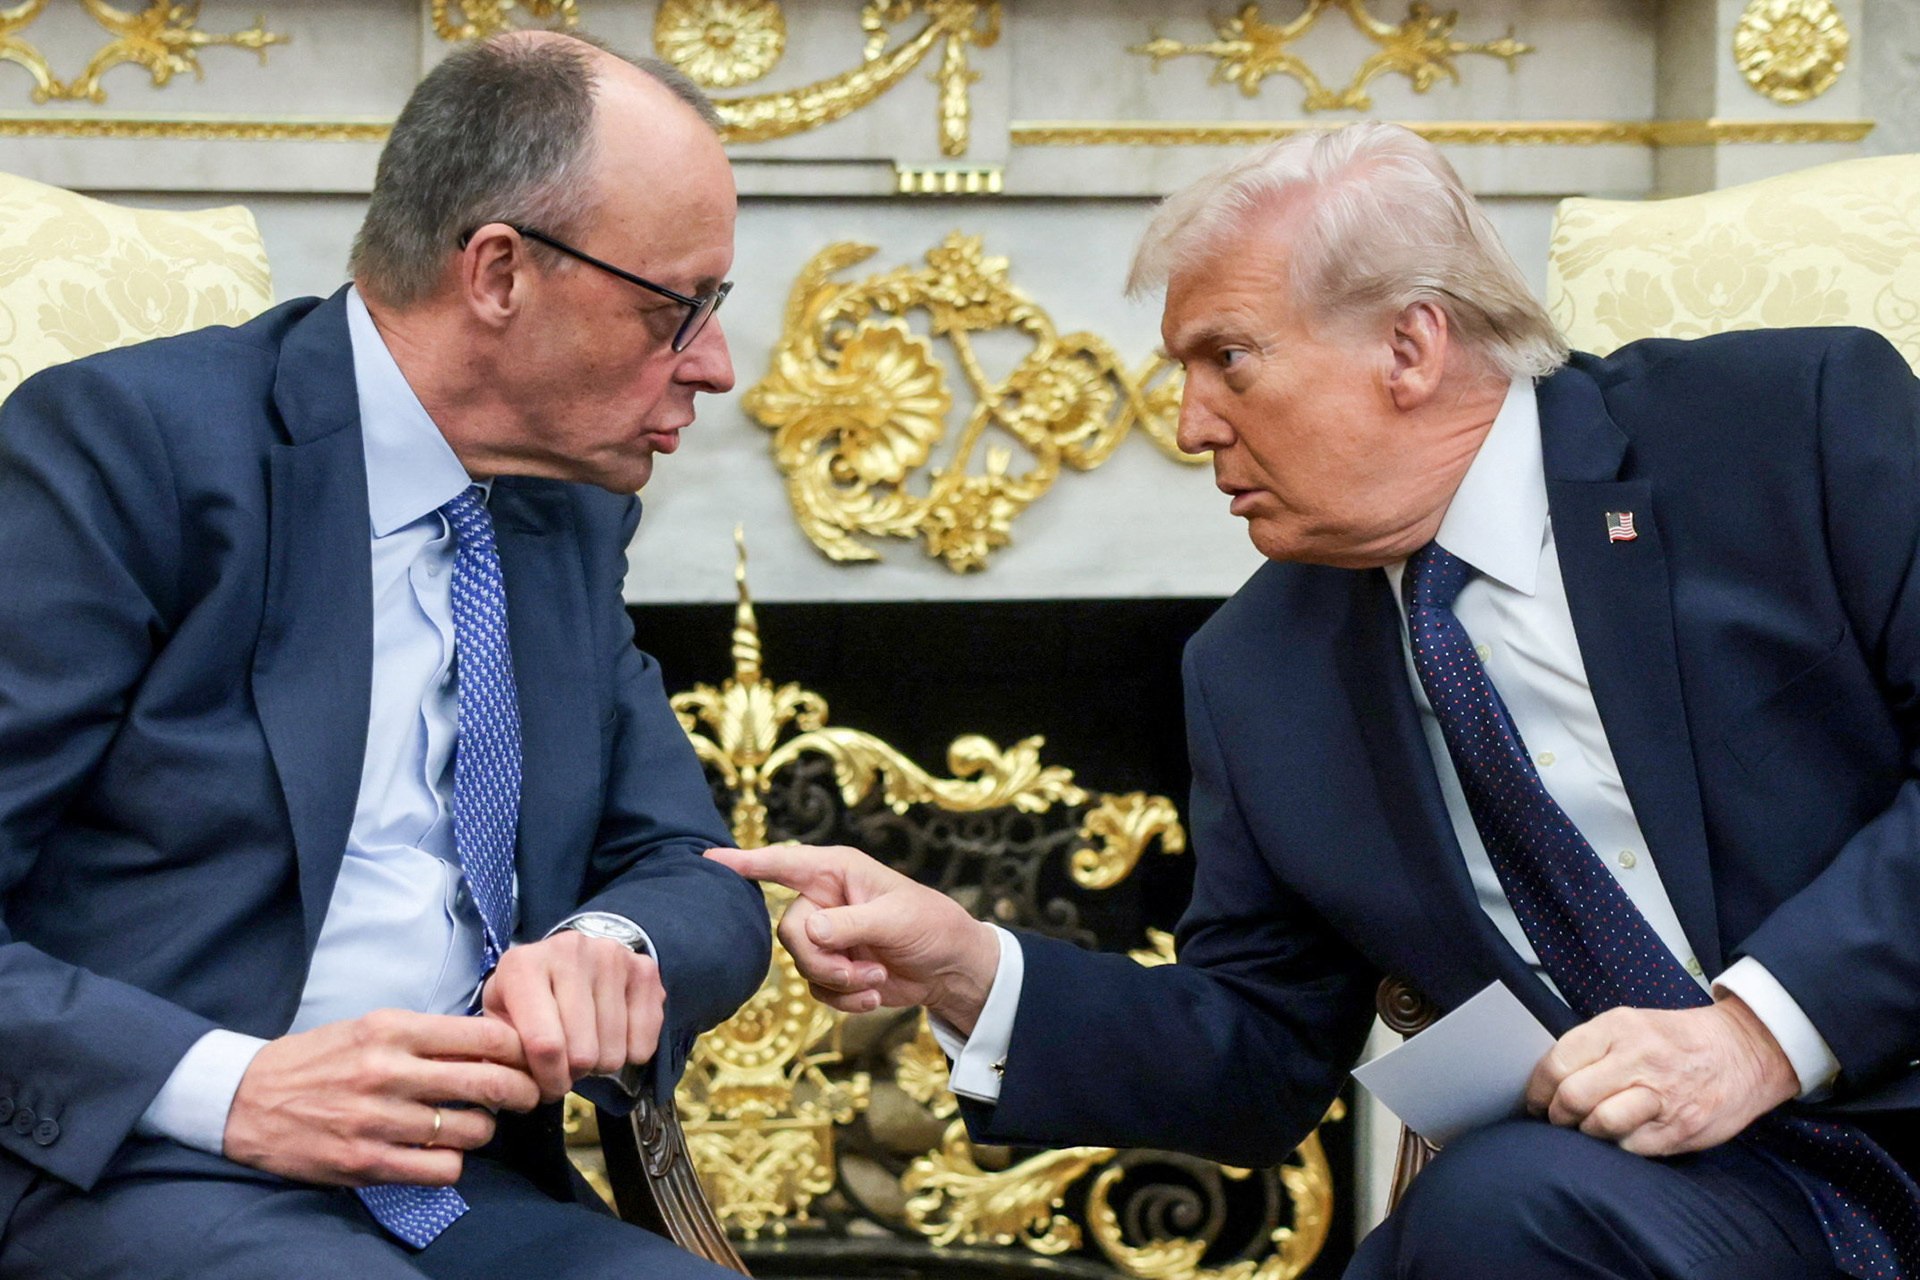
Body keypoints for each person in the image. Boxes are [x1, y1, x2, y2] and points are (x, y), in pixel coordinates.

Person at [712, 122, 1920, 1279]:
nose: (1189, 426)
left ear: (1410, 345)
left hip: (1889, 1073)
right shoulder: (1258, 669)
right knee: (1488, 1218)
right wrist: (970, 965)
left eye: (1226, 358)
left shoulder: (1782, 427)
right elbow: (1259, 1045)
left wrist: (1761, 1033)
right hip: (1680, 1199)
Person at [0, 31, 771, 1279]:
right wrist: (231, 1085)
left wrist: (615, 949)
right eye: (673, 308)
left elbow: (698, 868)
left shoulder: (563, 514)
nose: (714, 364)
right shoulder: (130, 451)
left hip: (460, 1188)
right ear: (501, 274)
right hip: (142, 1168)